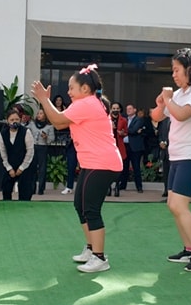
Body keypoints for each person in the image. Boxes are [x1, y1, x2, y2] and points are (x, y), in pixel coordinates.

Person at [31, 64, 123, 273]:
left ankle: (100, 257)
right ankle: (92, 250)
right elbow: (60, 122)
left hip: (102, 164)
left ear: (85, 89)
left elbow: (57, 121)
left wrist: (43, 99)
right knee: (80, 205)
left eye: (72, 88)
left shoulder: (86, 104)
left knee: (90, 209)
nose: (69, 92)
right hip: (95, 163)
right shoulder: (89, 103)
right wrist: (45, 101)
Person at [150, 48, 191, 272]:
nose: (174, 75)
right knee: (172, 204)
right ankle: (189, 249)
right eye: (173, 71)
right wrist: (162, 103)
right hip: (177, 155)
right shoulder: (179, 94)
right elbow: (157, 117)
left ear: (190, 69)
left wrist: (168, 100)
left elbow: (181, 114)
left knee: (179, 204)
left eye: (177, 70)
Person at [0, 109, 35, 201]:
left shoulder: (26, 132)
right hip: (10, 165)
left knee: (25, 192)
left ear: (20, 120)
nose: (14, 122)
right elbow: (3, 153)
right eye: (12, 120)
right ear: (7, 121)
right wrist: (9, 168)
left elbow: (30, 151)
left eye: (17, 119)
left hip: (25, 166)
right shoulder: (3, 134)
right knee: (6, 189)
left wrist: (21, 168)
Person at [121, 103, 146, 194]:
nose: (128, 110)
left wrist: (124, 131)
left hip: (135, 147)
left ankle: (139, 187)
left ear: (135, 110)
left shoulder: (139, 119)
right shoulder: (124, 119)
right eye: (127, 109)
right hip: (125, 146)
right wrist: (132, 131)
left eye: (130, 109)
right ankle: (122, 185)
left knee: (136, 167)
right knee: (124, 167)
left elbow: (134, 130)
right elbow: (133, 131)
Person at [28, 109, 55, 195]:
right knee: (32, 168)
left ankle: (41, 189)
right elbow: (26, 132)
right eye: (38, 113)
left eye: (41, 113)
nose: (39, 115)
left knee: (42, 169)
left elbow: (52, 139)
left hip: (42, 148)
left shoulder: (49, 127)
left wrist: (46, 137)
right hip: (33, 147)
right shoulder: (32, 124)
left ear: (45, 116)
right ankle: (32, 188)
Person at [108, 102, 127, 197]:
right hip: (108, 147)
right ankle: (108, 187)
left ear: (119, 109)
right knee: (108, 168)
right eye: (113, 108)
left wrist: (121, 133)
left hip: (119, 146)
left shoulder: (123, 120)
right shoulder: (106, 119)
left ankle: (117, 187)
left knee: (119, 169)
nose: (115, 110)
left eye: (117, 108)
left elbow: (126, 132)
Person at [157, 116, 171, 198]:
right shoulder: (163, 120)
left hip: (173, 150)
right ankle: (166, 189)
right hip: (164, 151)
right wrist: (161, 142)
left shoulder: (176, 120)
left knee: (173, 172)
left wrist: (167, 143)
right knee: (166, 172)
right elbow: (160, 133)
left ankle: (172, 191)